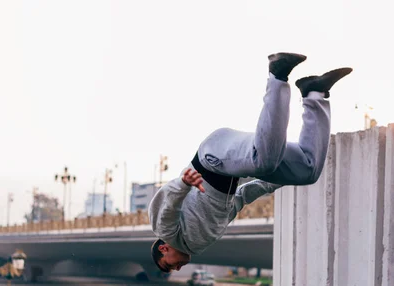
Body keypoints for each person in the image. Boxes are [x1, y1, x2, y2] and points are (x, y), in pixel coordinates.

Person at [149, 52, 352, 273]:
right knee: (307, 170)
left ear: (164, 249)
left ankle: (277, 75)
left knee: (263, 163)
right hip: (229, 167)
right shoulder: (201, 239)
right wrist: (280, 180)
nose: (177, 269)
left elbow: (165, 205)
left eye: (169, 265)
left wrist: (183, 183)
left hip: (212, 158)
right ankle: (315, 93)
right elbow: (240, 198)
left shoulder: (167, 232)